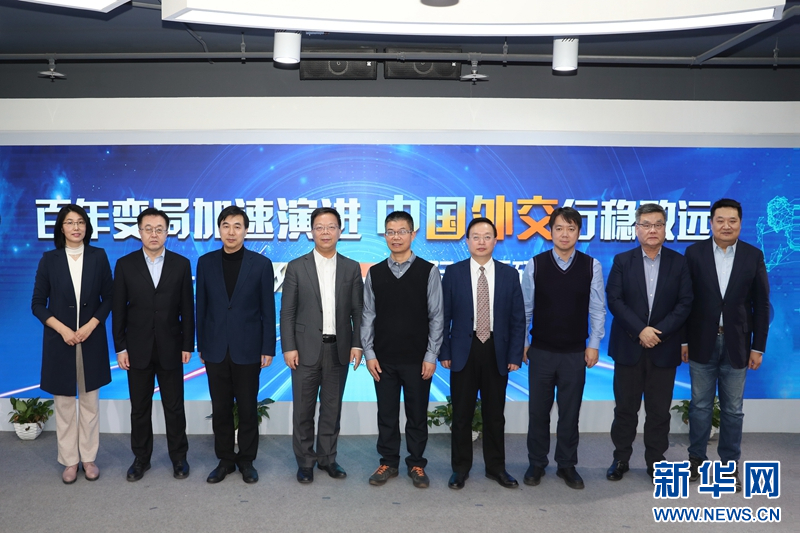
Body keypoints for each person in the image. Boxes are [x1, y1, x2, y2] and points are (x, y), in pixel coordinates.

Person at [683, 198, 770, 492]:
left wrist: (758, 347)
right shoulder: (694, 253)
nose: (726, 226)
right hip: (700, 342)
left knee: (733, 410)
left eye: (732, 220)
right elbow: (685, 301)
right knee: (699, 406)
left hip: (738, 344)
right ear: (711, 223)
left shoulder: (753, 255)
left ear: (740, 223)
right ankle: (695, 460)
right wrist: (683, 340)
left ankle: (729, 466)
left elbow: (761, 304)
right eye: (720, 220)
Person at [605, 203, 693, 481]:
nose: (652, 230)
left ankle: (656, 460)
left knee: (659, 411)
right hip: (628, 346)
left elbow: (685, 303)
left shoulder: (679, 262)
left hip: (664, 348)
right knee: (625, 409)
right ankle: (621, 458)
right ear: (636, 229)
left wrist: (658, 333)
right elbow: (614, 300)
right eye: (646, 224)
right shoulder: (622, 261)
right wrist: (640, 330)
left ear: (665, 229)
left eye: (658, 224)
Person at [521, 206, 605, 490]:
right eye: (559, 228)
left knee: (570, 413)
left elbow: (597, 309)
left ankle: (567, 464)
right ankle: (536, 462)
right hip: (541, 352)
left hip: (575, 353)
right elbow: (526, 308)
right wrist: (524, 343)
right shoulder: (536, 264)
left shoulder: (591, 266)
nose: (564, 234)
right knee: (538, 412)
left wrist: (594, 344)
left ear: (579, 233)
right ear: (550, 231)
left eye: (571, 228)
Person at [440, 217, 526, 490]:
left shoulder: (509, 274)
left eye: (487, 236)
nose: (481, 242)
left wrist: (514, 355)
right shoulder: (453, 273)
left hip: (496, 350)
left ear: (495, 241)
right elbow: (443, 317)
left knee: (494, 414)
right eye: (475, 237)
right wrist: (444, 350)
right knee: (461, 414)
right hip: (462, 350)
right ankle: (460, 469)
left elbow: (518, 319)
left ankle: (496, 468)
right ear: (467, 241)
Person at [280, 207, 364, 484]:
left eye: (331, 227)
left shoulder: (351, 267)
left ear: (340, 231)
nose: (325, 232)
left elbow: (358, 311)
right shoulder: (296, 266)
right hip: (303, 350)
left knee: (331, 409)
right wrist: (289, 347)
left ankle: (328, 458)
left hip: (338, 349)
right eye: (319, 227)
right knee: (303, 410)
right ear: (311, 232)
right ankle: (305, 462)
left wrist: (357, 345)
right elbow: (287, 312)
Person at [31, 204, 113, 484]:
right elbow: (37, 304)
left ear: (87, 226)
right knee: (64, 404)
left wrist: (90, 325)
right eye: (69, 222)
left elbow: (109, 297)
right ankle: (69, 460)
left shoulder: (98, 256)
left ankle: (88, 458)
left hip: (91, 339)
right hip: (60, 340)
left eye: (80, 222)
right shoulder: (49, 259)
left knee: (90, 403)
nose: (76, 227)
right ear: (61, 228)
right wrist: (63, 329)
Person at [362, 211, 443, 488]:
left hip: (418, 360)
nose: (396, 237)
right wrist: (369, 353)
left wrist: (431, 356)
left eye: (402, 231)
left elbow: (437, 316)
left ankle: (417, 463)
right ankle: (388, 462)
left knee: (417, 415)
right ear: (385, 235)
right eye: (391, 232)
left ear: (413, 234)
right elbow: (368, 315)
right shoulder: (375, 273)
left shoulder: (428, 271)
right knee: (386, 414)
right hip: (383, 359)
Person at [112, 207, 194, 482]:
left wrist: (187, 345)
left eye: (159, 229)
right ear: (139, 232)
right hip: (137, 349)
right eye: (148, 229)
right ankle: (141, 459)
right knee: (139, 408)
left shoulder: (181, 264)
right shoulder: (125, 265)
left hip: (171, 347)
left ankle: (179, 458)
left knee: (174, 406)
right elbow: (118, 310)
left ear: (167, 232)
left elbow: (187, 308)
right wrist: (121, 348)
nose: (154, 234)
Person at [196, 205, 276, 484]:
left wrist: (268, 348)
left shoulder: (261, 264)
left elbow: (268, 309)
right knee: (220, 408)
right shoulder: (205, 263)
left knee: (247, 407)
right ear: (219, 229)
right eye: (226, 226)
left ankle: (247, 460)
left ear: (246, 230)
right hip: (215, 348)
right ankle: (225, 460)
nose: (231, 232)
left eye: (237, 226)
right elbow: (201, 307)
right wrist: (202, 345)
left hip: (248, 348)